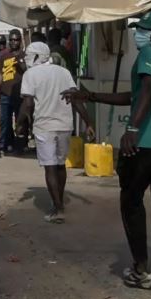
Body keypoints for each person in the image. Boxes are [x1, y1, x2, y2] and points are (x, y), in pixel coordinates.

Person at [66, 11, 151, 299]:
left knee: (131, 201)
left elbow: (146, 88)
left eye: (145, 30)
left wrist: (132, 128)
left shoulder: (150, 53)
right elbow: (135, 94)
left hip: (144, 144)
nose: (139, 34)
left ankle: (142, 269)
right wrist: (92, 96)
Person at [17, 41, 89, 222]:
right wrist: (89, 122)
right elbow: (76, 99)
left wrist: (20, 123)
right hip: (65, 124)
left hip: (44, 126)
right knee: (60, 165)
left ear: (35, 57)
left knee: (49, 167)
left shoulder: (30, 74)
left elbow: (28, 103)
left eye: (27, 56)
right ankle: (59, 202)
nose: (25, 59)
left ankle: (58, 207)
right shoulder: (63, 72)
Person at [0, 30, 24, 156]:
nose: (13, 42)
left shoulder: (24, 55)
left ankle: (20, 146)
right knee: (4, 121)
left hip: (20, 94)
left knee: (20, 121)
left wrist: (20, 62)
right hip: (5, 94)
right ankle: (3, 145)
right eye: (11, 40)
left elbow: (27, 72)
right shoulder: (4, 55)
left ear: (20, 41)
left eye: (16, 40)